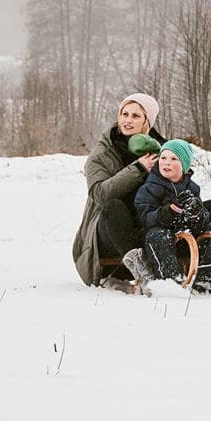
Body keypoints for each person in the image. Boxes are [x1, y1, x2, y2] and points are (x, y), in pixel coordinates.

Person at [71, 92, 167, 294]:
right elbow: (99, 195)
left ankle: (207, 278)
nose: (127, 121)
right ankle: (143, 272)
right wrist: (138, 170)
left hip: (146, 227)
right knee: (113, 207)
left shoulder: (161, 151)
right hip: (108, 235)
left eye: (135, 116)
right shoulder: (102, 153)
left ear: (147, 122)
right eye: (124, 114)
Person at [123, 138, 211, 293]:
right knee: (158, 236)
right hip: (159, 237)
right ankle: (172, 281)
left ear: (184, 165)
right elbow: (144, 218)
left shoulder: (192, 188)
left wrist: (198, 215)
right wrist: (168, 211)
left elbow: (201, 219)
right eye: (163, 158)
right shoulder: (150, 187)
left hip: (186, 237)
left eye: (174, 159)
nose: (166, 162)